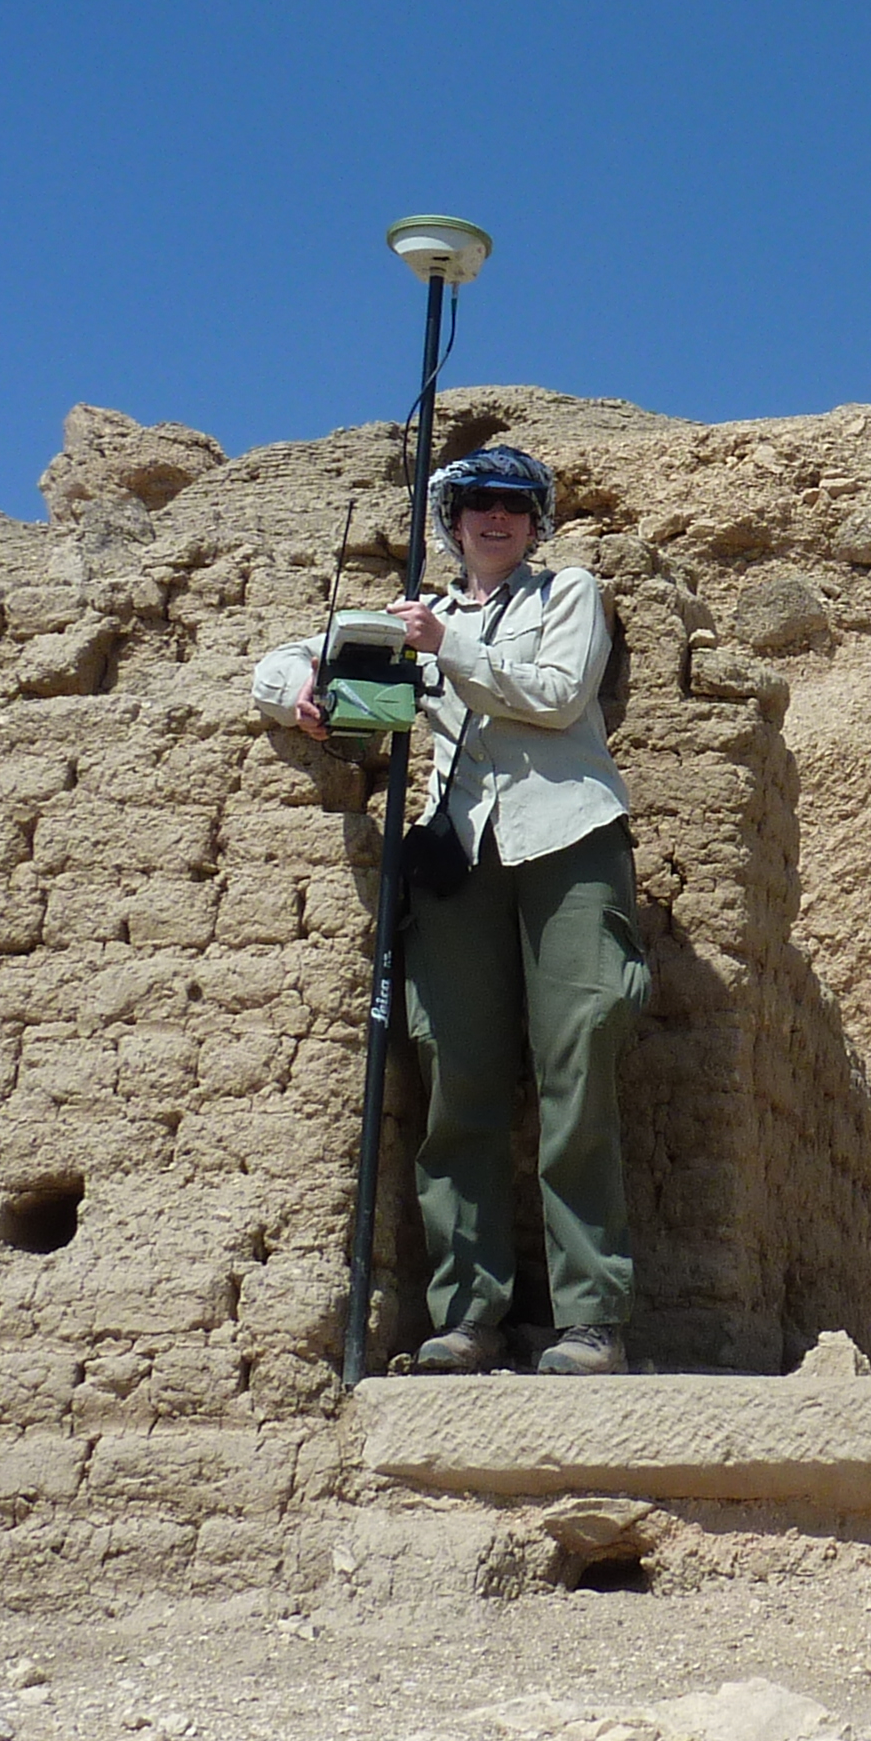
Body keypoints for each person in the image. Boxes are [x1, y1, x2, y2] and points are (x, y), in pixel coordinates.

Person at [293, 442, 646, 1376]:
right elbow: (292, 661)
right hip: (459, 855)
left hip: (566, 842)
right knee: (459, 1077)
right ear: (451, 522)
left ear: (537, 523)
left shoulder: (566, 594)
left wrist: (446, 648)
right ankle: (468, 1315)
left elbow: (558, 696)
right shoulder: (423, 611)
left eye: (515, 506)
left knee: (578, 1064)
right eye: (477, 503)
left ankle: (591, 1319)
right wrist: (301, 691)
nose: (496, 518)